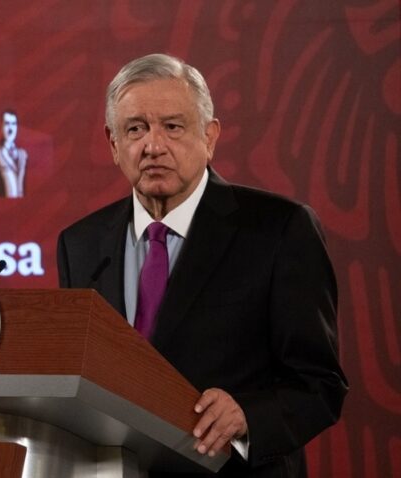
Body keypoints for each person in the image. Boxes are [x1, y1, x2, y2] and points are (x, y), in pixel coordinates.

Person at [56, 53, 347, 477]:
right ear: (113, 144)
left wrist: (247, 416)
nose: (153, 146)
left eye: (173, 127)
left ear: (210, 137)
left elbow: (320, 384)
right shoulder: (80, 244)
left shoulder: (279, 230)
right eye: (135, 129)